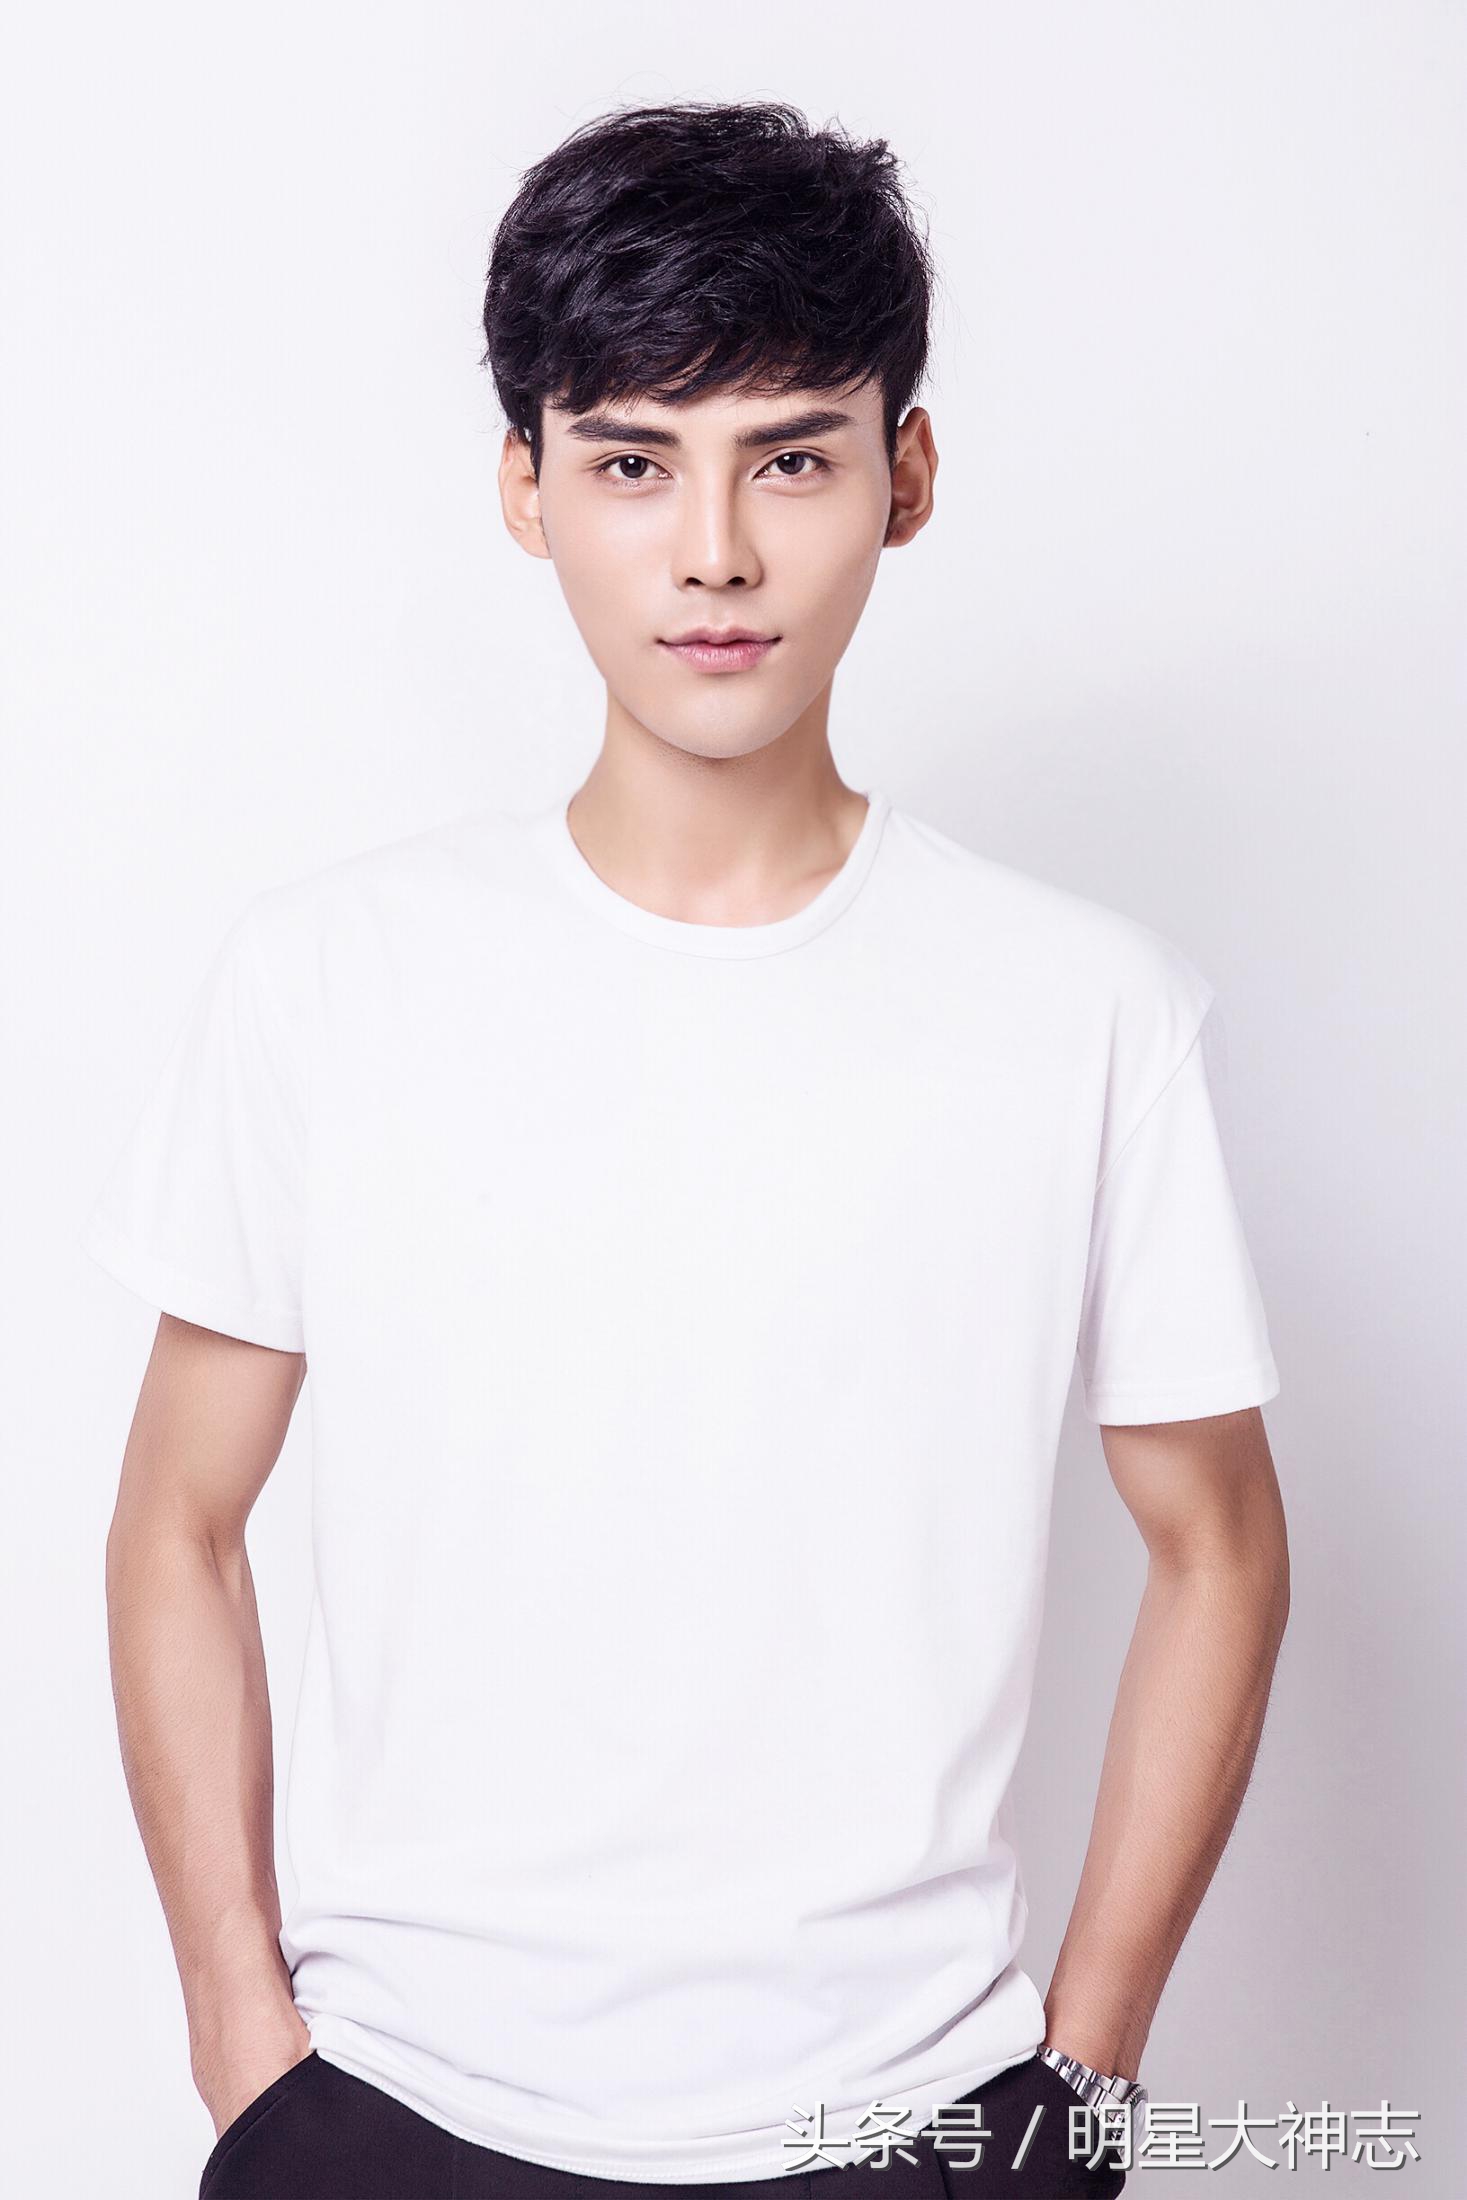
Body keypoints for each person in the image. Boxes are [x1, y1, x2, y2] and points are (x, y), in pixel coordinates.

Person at [82, 100, 1289, 2200]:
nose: (714, 551)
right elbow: (176, 1519)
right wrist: (242, 2046)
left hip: (909, 2116)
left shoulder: (1086, 1009)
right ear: (526, 486)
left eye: (791, 458)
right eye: (634, 462)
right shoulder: (325, 981)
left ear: (906, 476)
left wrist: (1078, 2082)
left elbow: (1222, 1544)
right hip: (399, 2104)